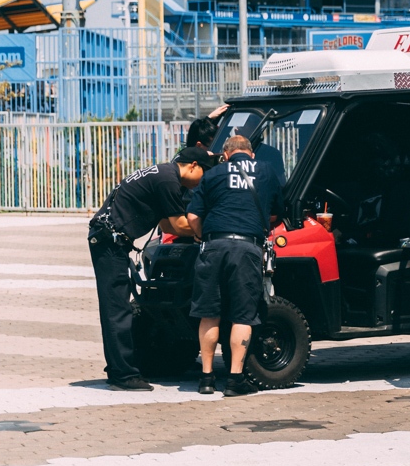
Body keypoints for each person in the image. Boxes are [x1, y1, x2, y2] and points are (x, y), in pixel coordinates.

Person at [88, 148, 213, 390]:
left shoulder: (163, 174)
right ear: (193, 165)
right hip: (109, 241)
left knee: (116, 306)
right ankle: (123, 375)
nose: (203, 181)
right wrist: (209, 228)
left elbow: (168, 224)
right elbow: (177, 223)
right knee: (117, 308)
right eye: (204, 173)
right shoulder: (169, 180)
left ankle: (118, 367)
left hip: (109, 240)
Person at [187, 134, 283, 396]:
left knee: (209, 313)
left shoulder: (214, 173)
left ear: (226, 155)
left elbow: (193, 215)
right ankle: (234, 381)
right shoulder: (266, 170)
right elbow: (276, 212)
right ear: (251, 154)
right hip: (246, 247)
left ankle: (206, 379)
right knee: (243, 314)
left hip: (213, 245)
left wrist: (199, 234)